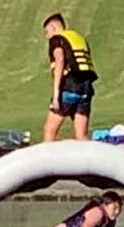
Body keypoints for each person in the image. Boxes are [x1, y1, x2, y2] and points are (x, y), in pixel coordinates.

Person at [40, 14, 98, 142]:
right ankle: (89, 161)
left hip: (69, 87)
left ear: (53, 28)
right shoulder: (80, 39)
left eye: (47, 31)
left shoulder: (56, 39)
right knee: (81, 135)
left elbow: (60, 61)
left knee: (49, 131)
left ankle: (48, 162)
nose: (46, 36)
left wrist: (55, 95)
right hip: (86, 89)